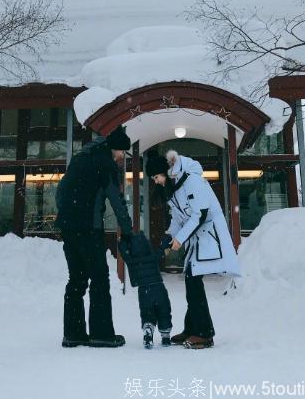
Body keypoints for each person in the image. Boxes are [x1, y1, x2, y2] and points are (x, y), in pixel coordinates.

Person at [145, 150, 240, 349]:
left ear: (165, 171)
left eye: (156, 177)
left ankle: (204, 334)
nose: (156, 181)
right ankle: (192, 328)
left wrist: (179, 240)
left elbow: (200, 214)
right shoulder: (174, 188)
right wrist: (169, 236)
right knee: (191, 281)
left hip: (208, 237)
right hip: (197, 239)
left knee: (193, 282)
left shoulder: (192, 181)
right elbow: (179, 219)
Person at [55, 125, 133, 348]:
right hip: (89, 229)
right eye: (121, 152)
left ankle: (73, 333)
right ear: (115, 148)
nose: (121, 157)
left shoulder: (80, 159)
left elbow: (60, 192)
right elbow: (116, 200)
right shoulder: (106, 165)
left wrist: (68, 216)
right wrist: (127, 230)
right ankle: (101, 334)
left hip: (69, 227)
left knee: (76, 280)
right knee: (99, 278)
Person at [118, 231, 173, 349]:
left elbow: (123, 251)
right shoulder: (153, 256)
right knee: (164, 311)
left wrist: (122, 241)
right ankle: (165, 335)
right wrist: (167, 239)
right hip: (159, 288)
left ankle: (148, 329)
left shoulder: (132, 261)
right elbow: (162, 248)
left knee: (147, 312)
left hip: (144, 291)